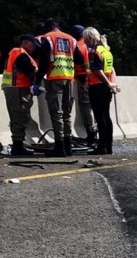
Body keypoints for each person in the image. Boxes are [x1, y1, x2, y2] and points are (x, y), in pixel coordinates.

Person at [35, 19, 80, 156]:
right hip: (69, 77)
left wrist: (37, 81)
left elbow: (43, 62)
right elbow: (79, 59)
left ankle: (59, 147)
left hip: (54, 77)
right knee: (67, 113)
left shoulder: (47, 38)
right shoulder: (71, 39)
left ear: (47, 28)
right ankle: (68, 146)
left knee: (56, 113)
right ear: (58, 26)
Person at [84, 28, 120, 155]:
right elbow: (112, 70)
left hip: (98, 87)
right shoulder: (106, 51)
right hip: (106, 88)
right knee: (106, 116)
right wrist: (112, 84)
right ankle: (108, 146)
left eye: (85, 39)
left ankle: (102, 147)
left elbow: (97, 71)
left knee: (100, 118)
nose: (84, 41)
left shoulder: (94, 52)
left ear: (90, 38)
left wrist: (107, 83)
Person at [2, 34, 39, 156]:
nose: (33, 47)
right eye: (32, 43)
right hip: (18, 89)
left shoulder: (14, 52)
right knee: (20, 117)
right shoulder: (20, 53)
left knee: (17, 117)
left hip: (12, 88)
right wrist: (36, 82)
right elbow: (28, 70)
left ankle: (18, 145)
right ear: (25, 42)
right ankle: (17, 147)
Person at [70, 24, 98, 146]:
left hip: (83, 78)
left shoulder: (78, 46)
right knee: (94, 107)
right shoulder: (92, 46)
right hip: (94, 79)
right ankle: (95, 133)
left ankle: (91, 134)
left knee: (86, 108)